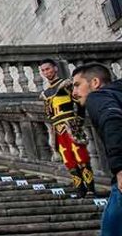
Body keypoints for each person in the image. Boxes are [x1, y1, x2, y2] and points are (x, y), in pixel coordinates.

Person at [71, 63, 122, 236]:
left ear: (94, 82)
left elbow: (112, 120)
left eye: (77, 85)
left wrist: (120, 168)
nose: (74, 92)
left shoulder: (97, 97)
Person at [40, 58, 96, 197]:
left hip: (70, 125)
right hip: (57, 129)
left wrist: (79, 121)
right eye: (43, 70)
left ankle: (90, 189)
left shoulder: (66, 85)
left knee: (81, 157)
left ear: (55, 68)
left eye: (48, 68)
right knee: (69, 161)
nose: (46, 72)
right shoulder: (45, 93)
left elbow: (81, 102)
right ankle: (80, 190)